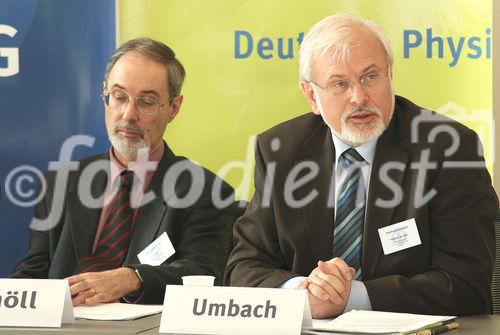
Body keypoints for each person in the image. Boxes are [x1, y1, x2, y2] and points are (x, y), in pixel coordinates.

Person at [224, 15, 498, 318]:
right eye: (339, 84)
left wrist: (351, 297)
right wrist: (303, 293)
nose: (359, 97)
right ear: (312, 95)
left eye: (370, 77)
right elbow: (243, 269)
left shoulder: (449, 148)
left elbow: (466, 285)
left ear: (390, 74)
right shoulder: (281, 150)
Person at [11, 37, 236, 305]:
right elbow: (31, 274)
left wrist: (133, 278)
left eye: (147, 101)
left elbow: (203, 273)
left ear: (173, 108)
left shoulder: (206, 191)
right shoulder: (60, 183)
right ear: (104, 95)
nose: (129, 114)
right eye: (119, 97)